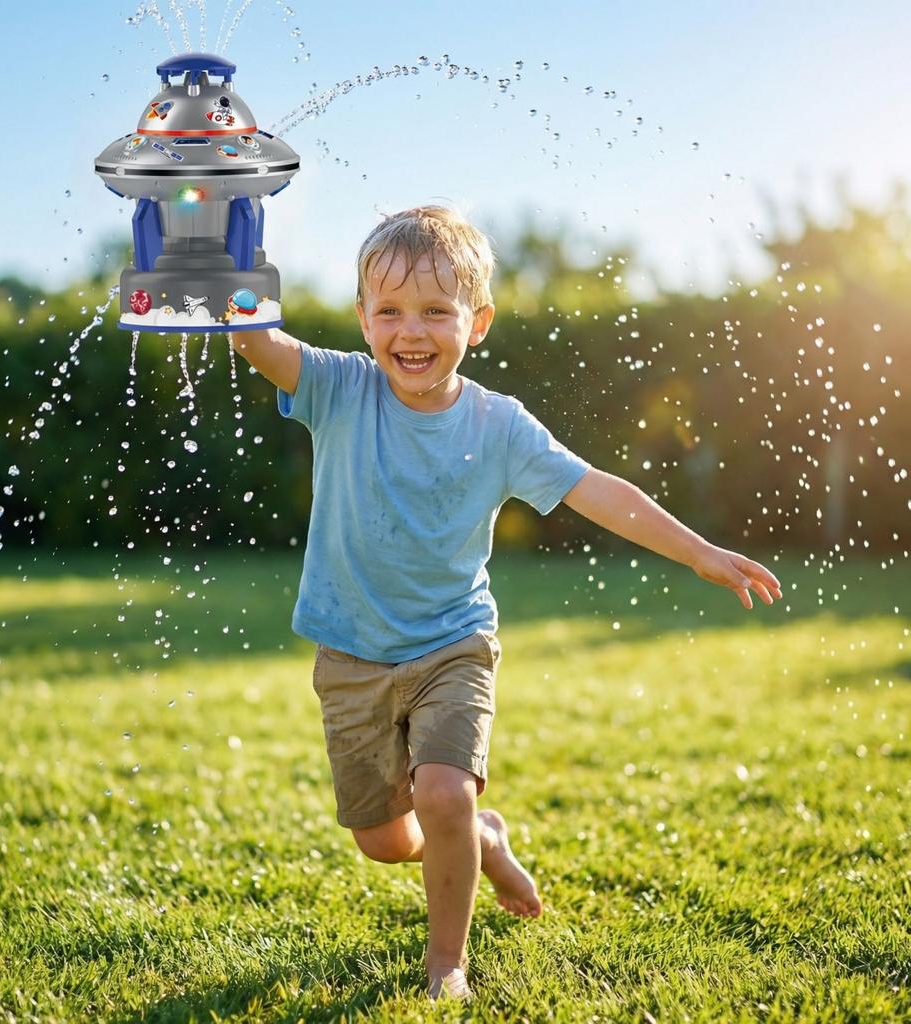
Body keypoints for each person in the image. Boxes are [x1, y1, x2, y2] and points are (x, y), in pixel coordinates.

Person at [230, 205, 782, 1002]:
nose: (410, 331)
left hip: (453, 644)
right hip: (350, 651)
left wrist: (698, 551)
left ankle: (446, 963)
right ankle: (481, 841)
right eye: (390, 311)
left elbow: (596, 489)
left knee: (443, 792)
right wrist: (236, 265)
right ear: (362, 317)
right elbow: (256, 342)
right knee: (383, 841)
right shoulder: (341, 388)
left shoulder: (499, 425)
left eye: (435, 311)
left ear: (477, 321)